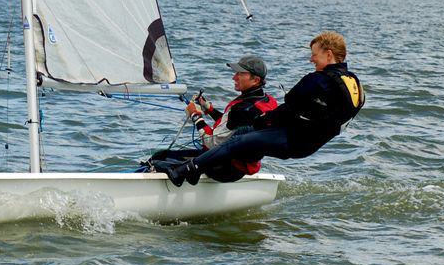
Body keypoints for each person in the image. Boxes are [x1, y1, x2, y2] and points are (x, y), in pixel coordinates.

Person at [154, 31, 365, 187]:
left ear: (328, 54)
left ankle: (188, 170)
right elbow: (329, 118)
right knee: (244, 133)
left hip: (293, 140)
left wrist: (198, 117)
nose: (311, 59)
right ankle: (191, 168)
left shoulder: (319, 80)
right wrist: (211, 111)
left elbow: (290, 104)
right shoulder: (354, 84)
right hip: (309, 142)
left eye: (314, 55)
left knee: (239, 139)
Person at [149, 55, 278, 182]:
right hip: (240, 166)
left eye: (240, 74)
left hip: (223, 169)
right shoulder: (266, 101)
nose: (234, 77)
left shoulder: (240, 109)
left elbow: (211, 143)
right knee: (167, 157)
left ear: (255, 80)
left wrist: (195, 116)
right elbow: (233, 127)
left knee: (159, 158)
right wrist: (209, 109)